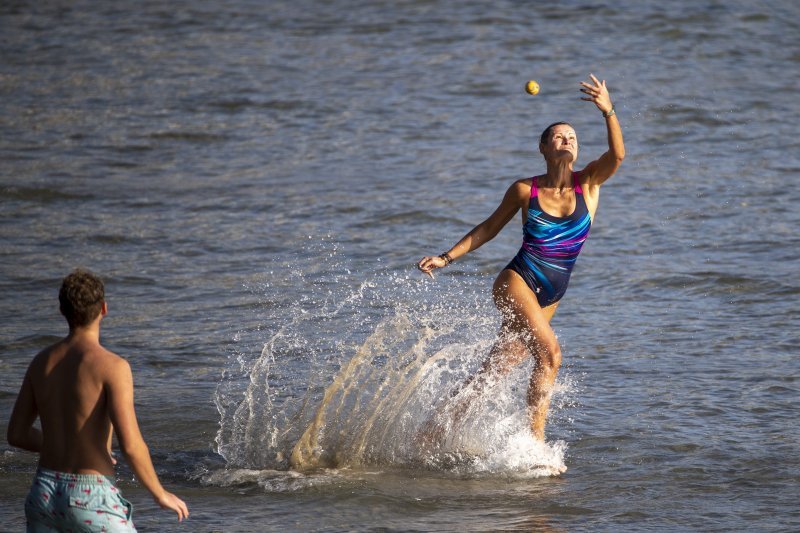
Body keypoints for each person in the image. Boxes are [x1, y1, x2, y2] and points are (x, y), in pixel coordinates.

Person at [417, 74, 625, 443]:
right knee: (551, 356)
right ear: (543, 148)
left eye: (573, 137)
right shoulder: (525, 190)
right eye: (559, 136)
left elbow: (618, 155)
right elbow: (488, 228)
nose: (567, 141)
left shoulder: (589, 184)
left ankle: (429, 435)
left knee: (493, 374)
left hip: (551, 298)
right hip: (517, 282)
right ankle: (536, 446)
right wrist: (446, 258)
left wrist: (608, 111)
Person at [7, 269, 189, 531]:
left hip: (43, 493)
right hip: (89, 498)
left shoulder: (41, 363)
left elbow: (17, 434)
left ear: (62, 311)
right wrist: (159, 493)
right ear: (103, 308)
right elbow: (131, 445)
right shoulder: (112, 367)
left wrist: (63, 443)